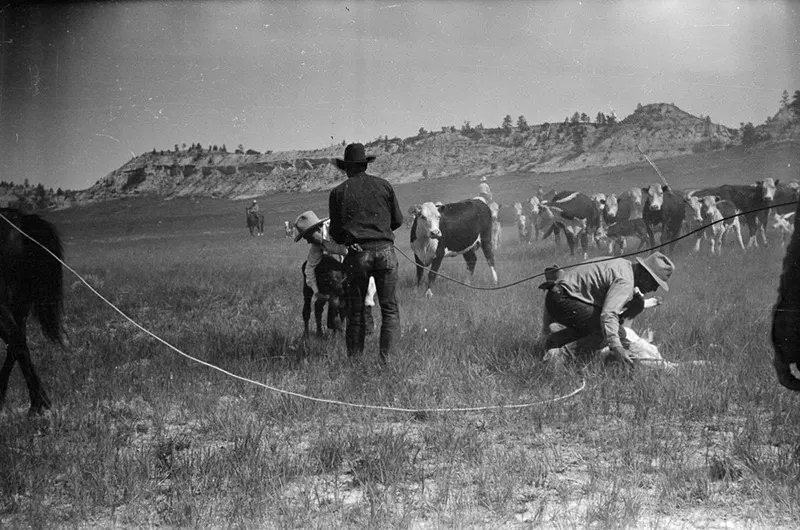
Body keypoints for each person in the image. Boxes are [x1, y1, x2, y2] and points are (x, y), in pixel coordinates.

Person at [329, 143, 403, 361]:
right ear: (364, 165)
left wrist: (351, 240)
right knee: (389, 309)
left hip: (358, 255)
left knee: (356, 310)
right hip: (386, 253)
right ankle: (387, 361)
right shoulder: (384, 186)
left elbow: (336, 233)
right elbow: (397, 220)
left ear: (346, 168)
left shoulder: (338, 193)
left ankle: (355, 361)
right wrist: (380, 233)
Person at [540, 251, 675, 368]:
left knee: (598, 327)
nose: (654, 289)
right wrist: (617, 347)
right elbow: (608, 315)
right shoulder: (625, 282)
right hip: (564, 300)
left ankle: (556, 341)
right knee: (612, 331)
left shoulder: (622, 265)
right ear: (645, 274)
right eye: (654, 283)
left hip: (556, 297)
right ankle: (560, 356)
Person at [294, 210, 376, 332]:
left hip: (362, 253)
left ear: (317, 229)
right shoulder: (317, 244)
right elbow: (309, 268)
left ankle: (366, 329)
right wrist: (317, 292)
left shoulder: (338, 228)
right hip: (347, 259)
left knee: (366, 289)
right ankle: (340, 327)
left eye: (308, 237)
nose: (308, 241)